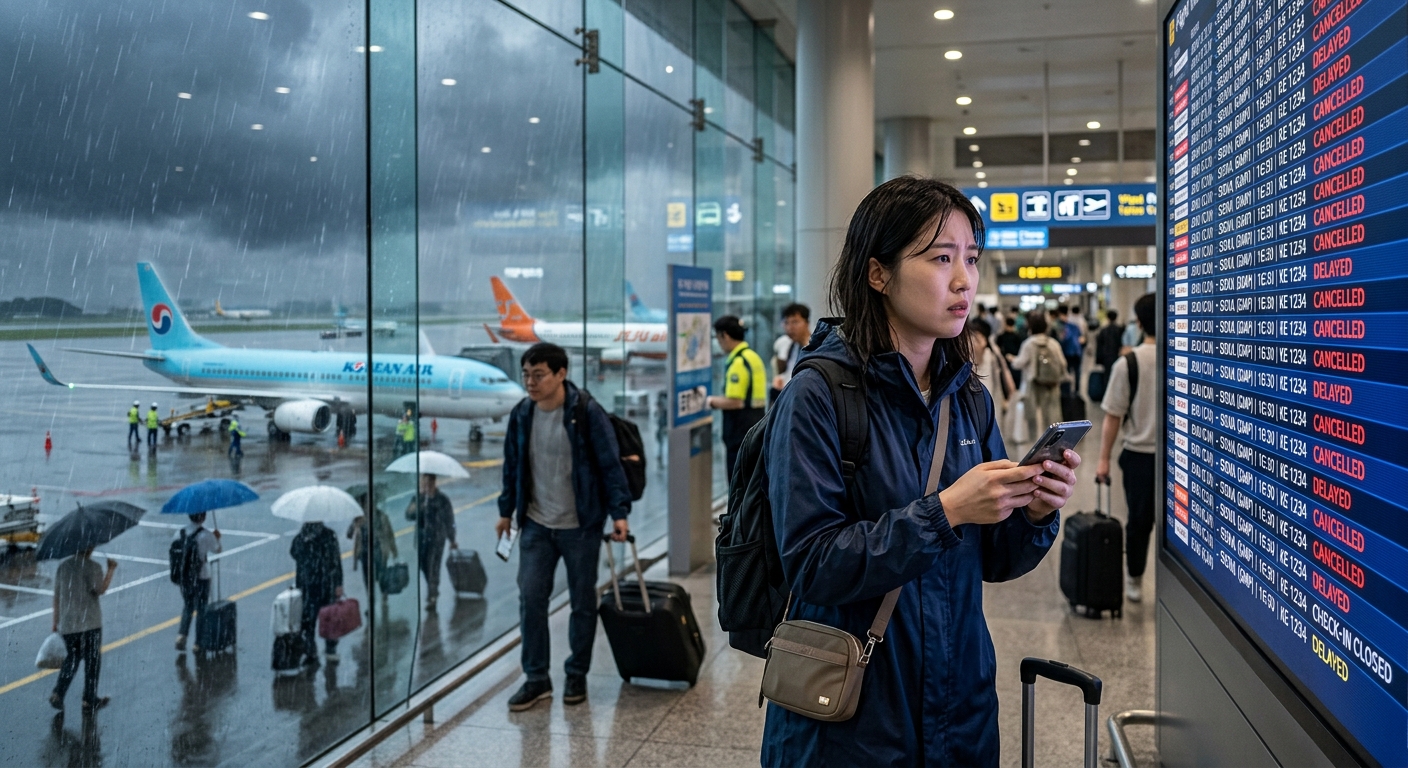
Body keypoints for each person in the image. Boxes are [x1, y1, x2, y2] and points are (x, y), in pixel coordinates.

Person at [761, 176, 1079, 766]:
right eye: (940, 258)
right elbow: (811, 565)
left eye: (971, 259)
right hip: (850, 722)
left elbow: (996, 561)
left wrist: (1034, 510)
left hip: (960, 711)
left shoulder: (968, 399)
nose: (964, 280)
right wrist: (948, 510)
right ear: (877, 273)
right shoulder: (818, 394)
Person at [497, 342, 632, 711]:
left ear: (561, 374)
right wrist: (506, 510)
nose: (530, 382)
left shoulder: (585, 412)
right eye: (526, 374)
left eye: (538, 375)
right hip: (537, 525)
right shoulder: (522, 414)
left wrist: (619, 512)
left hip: (581, 525)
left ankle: (576, 673)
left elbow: (609, 465)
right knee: (531, 600)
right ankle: (536, 678)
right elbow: (512, 467)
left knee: (582, 602)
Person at [1097, 293, 1158, 603]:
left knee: (1139, 521)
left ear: (1138, 322)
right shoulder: (1189, 357)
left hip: (1138, 456)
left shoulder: (1129, 362)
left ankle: (1135, 578)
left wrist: (1104, 459)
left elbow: (1113, 416)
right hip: (1181, 457)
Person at [50, 548, 117, 712]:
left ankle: (58, 692)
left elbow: (57, 595)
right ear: (90, 547)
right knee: (92, 661)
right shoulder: (92, 566)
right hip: (89, 623)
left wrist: (55, 621)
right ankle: (89, 699)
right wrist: (111, 569)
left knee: (72, 659)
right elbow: (100, 589)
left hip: (68, 623)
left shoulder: (63, 567)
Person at [706, 315, 768, 482]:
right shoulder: (752, 357)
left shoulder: (738, 363)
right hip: (755, 426)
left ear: (725, 335)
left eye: (717, 338)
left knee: (738, 484)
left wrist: (709, 401)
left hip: (740, 432)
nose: (718, 343)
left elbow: (735, 401)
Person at [290, 520, 344, 665]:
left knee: (322, 618)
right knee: (311, 620)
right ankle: (316, 651)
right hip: (315, 585)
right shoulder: (305, 537)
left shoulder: (325, 536)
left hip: (319, 585)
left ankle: (323, 650)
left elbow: (335, 560)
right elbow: (295, 553)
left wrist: (338, 583)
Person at [1009, 311, 1066, 444]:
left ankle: (1035, 443)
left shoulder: (1029, 344)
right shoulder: (1053, 343)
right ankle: (1052, 442)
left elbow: (1020, 363)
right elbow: (1063, 363)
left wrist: (1012, 359)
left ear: (1030, 326)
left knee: (1033, 416)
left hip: (1033, 384)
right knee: (1051, 415)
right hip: (1051, 384)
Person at [407, 473, 456, 611]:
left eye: (429, 483)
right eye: (423, 483)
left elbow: (449, 519)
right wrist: (419, 505)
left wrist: (452, 539)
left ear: (434, 483)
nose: (426, 486)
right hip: (421, 539)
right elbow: (408, 515)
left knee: (434, 566)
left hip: (437, 539)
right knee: (424, 565)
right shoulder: (418, 498)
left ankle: (432, 594)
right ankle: (432, 586)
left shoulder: (442, 500)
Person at [174, 513, 222, 652]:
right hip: (202, 576)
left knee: (188, 606)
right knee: (202, 609)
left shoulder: (179, 533)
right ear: (203, 517)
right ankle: (198, 643)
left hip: (185, 578)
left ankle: (181, 635)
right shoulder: (206, 535)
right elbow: (217, 549)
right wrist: (217, 538)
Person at [348, 492, 397, 601]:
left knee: (381, 575)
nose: (370, 505)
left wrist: (394, 551)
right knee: (368, 580)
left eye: (372, 502)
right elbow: (349, 535)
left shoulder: (381, 516)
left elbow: (389, 534)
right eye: (367, 502)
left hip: (379, 551)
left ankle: (384, 594)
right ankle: (371, 601)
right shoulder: (359, 518)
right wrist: (356, 525)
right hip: (365, 554)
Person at [967, 319, 1015, 415]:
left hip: (990, 399)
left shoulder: (991, 354)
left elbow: (1005, 372)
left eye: (975, 337)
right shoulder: (965, 356)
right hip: (977, 402)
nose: (970, 340)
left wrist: (1010, 393)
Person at [770, 303, 811, 401]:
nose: (790, 327)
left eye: (795, 322)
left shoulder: (815, 347)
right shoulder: (787, 344)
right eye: (786, 323)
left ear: (807, 323)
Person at [995, 315, 1025, 388]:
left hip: (1007, 363)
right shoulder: (1018, 336)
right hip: (1013, 363)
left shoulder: (1001, 336)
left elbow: (998, 350)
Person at [1094, 309, 1124, 373]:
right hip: (1117, 355)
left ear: (1107, 318)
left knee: (1107, 375)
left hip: (1106, 356)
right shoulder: (1120, 330)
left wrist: (1098, 359)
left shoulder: (1104, 330)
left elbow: (1099, 345)